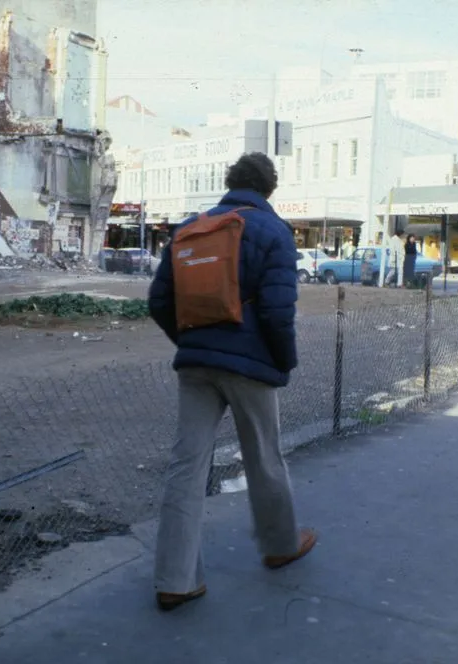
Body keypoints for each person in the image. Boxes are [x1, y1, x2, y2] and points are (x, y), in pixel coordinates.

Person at [147, 152, 316, 612]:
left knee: (186, 467)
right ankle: (280, 544)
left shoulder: (190, 227)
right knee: (264, 457)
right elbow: (279, 312)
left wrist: (190, 340)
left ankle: (174, 580)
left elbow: (159, 299)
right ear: (269, 188)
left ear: (230, 183)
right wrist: (283, 362)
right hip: (251, 365)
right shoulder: (273, 231)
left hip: (196, 364)